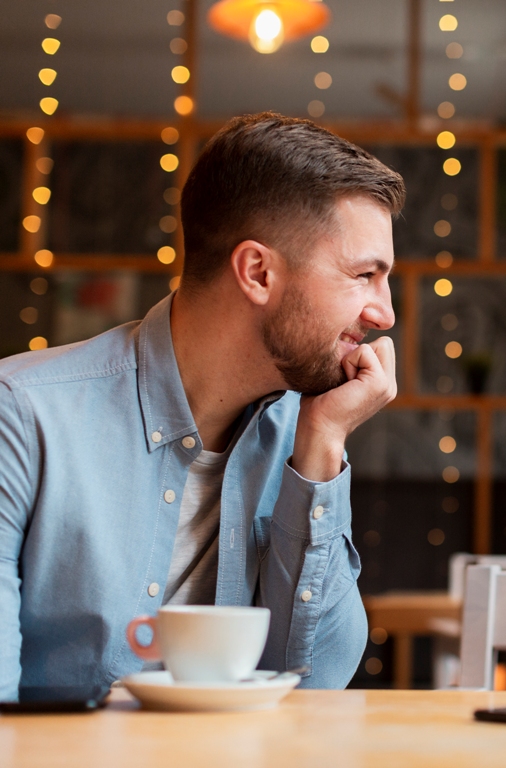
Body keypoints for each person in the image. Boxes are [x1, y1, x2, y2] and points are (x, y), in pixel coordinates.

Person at [0, 113, 405, 698]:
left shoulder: (301, 432)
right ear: (258, 272)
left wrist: (321, 449)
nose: (384, 314)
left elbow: (315, 684)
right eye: (364, 275)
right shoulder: (22, 415)